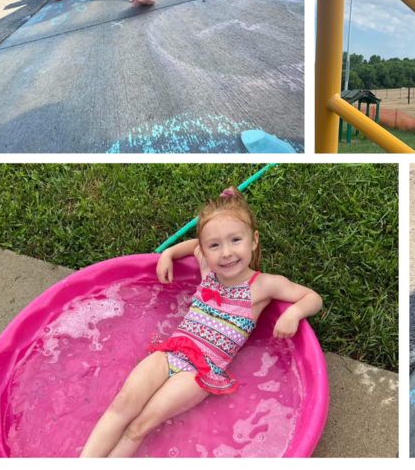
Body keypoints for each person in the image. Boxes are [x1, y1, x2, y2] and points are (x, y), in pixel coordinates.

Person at [80, 189, 322, 457]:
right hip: (170, 352)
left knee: (139, 424)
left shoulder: (263, 285)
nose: (227, 253)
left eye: (235, 240)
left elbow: (313, 298)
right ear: (205, 250)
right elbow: (193, 246)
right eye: (215, 245)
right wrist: (168, 253)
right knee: (121, 405)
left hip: (198, 372)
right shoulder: (208, 268)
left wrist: (294, 313)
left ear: (253, 241)